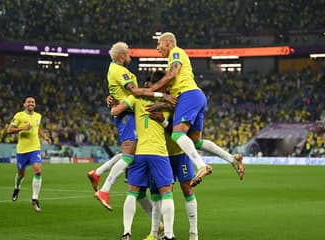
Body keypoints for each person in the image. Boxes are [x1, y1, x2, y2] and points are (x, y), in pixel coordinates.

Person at [148, 32, 244, 187]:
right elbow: (173, 100)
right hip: (196, 96)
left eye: (158, 44)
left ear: (167, 42)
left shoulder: (176, 52)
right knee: (195, 141)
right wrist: (162, 103)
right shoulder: (175, 58)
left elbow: (172, 74)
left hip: (189, 95)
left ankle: (201, 166)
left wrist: (152, 90)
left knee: (177, 135)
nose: (157, 49)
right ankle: (232, 159)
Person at [86, 41, 174, 210]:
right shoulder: (119, 70)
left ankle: (97, 173)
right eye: (128, 54)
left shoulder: (116, 70)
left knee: (130, 153)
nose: (130, 56)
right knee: (128, 156)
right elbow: (134, 92)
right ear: (121, 56)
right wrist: (160, 94)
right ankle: (105, 189)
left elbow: (122, 93)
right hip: (126, 116)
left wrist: (113, 100)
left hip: (128, 114)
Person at [110, 73, 176, 240]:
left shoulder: (135, 98)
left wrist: (113, 101)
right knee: (166, 192)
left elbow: (116, 111)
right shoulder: (168, 103)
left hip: (139, 152)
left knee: (132, 193)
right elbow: (174, 127)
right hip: (159, 153)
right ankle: (168, 235)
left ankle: (126, 233)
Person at [7, 95, 52, 212]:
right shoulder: (19, 115)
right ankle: (17, 188)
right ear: (24, 104)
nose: (31, 103)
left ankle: (35, 198)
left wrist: (45, 137)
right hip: (22, 150)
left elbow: (38, 128)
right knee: (21, 174)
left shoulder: (38, 116)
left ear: (35, 105)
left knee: (38, 169)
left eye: (33, 102)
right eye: (28, 102)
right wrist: (22, 128)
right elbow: (9, 130)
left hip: (35, 148)